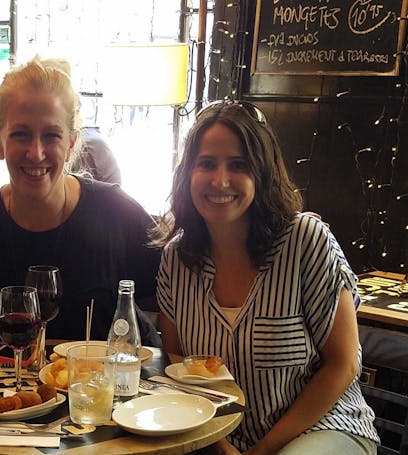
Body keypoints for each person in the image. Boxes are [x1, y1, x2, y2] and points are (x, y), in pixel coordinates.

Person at [153, 100, 379, 454]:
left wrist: (261, 452)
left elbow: (344, 363)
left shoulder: (306, 240)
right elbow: (178, 360)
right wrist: (219, 444)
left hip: (323, 428)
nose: (220, 180)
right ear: (188, 174)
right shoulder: (176, 258)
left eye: (239, 165)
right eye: (207, 164)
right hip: (217, 435)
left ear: (262, 173)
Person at [0, 56, 161, 347]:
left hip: (106, 391)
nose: (36, 153)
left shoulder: (115, 213)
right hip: (0, 391)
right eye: (21, 135)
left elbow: (177, 292)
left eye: (51, 135)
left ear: (71, 142)